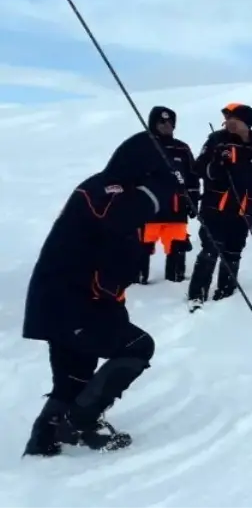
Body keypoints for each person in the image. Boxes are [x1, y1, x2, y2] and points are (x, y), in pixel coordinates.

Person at [21, 131, 182, 456]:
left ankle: (44, 442)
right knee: (138, 346)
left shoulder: (118, 189)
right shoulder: (105, 189)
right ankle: (79, 421)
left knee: (75, 374)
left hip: (78, 301)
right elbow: (120, 217)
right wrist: (162, 187)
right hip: (71, 303)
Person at [187, 103, 252, 309]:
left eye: (235, 122)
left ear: (247, 124)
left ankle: (226, 292)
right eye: (228, 121)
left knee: (234, 250)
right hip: (215, 207)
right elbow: (198, 167)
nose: (229, 124)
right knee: (211, 248)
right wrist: (216, 166)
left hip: (244, 210)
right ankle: (197, 294)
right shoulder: (217, 141)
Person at [137, 106, 200, 283]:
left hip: (176, 210)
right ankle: (138, 281)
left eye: (170, 122)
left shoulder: (182, 149)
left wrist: (193, 199)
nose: (166, 125)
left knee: (178, 247)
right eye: (161, 122)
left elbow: (192, 177)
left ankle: (174, 281)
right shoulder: (142, 147)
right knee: (139, 248)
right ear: (153, 124)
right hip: (147, 211)